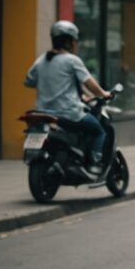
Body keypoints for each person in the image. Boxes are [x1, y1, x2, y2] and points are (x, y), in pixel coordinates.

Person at [24, 21, 112, 177]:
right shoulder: (72, 60)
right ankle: (95, 163)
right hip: (68, 113)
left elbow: (29, 81)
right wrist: (103, 94)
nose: (75, 44)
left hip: (43, 113)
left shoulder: (41, 60)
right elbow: (89, 83)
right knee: (99, 131)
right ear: (69, 41)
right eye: (74, 40)